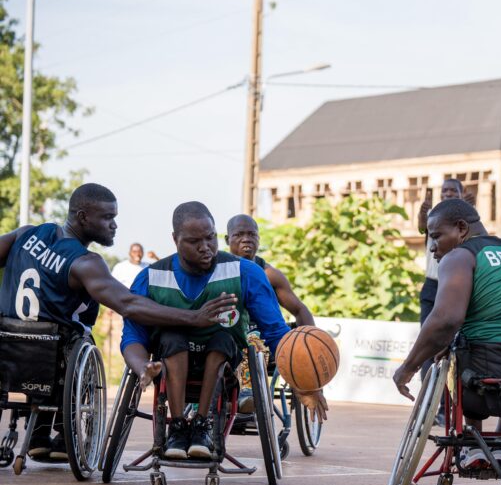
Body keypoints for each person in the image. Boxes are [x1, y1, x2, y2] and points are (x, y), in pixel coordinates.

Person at [0, 183, 236, 461]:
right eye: (108, 217)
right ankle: (64, 435)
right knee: (77, 338)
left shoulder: (25, 234)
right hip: (53, 352)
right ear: (83, 217)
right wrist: (193, 317)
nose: (114, 226)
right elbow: (128, 304)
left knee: (53, 338)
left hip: (9, 343)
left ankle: (39, 431)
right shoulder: (85, 262)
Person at [120, 202, 328, 460]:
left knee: (221, 337)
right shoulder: (151, 277)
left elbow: (275, 333)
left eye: (210, 238)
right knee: (173, 337)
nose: (205, 247)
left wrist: (305, 383)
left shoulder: (246, 272)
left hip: (223, 363)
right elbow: (133, 336)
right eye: (194, 241)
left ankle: (201, 424)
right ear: (175, 240)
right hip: (171, 360)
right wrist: (142, 367)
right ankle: (177, 427)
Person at [393, 199, 501, 470]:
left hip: (483, 377)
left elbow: (446, 319)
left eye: (435, 236)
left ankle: (474, 442)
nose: (432, 246)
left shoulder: (459, 257)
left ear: (460, 228)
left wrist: (407, 368)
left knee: (467, 348)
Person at [225, 214, 315, 412]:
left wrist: (310, 346)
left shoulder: (269, 274)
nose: (246, 239)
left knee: (253, 342)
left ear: (258, 239)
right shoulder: (218, 269)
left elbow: (300, 310)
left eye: (251, 234)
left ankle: (248, 393)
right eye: (239, 234)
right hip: (226, 335)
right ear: (227, 240)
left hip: (261, 339)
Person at [416, 179, 463, 426]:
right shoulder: (432, 219)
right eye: (444, 191)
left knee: (456, 350)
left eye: (452, 191)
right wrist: (422, 213)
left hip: (456, 285)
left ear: (460, 194)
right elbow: (421, 225)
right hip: (433, 285)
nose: (447, 194)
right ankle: (431, 405)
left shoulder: (463, 221)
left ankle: (451, 408)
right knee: (428, 347)